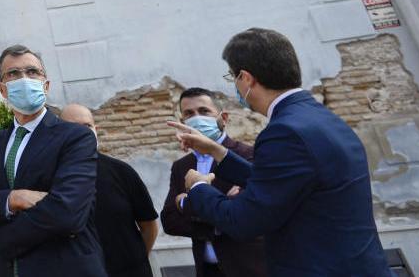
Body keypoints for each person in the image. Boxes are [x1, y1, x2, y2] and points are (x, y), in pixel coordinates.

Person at [169, 28, 389, 277]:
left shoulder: (283, 132)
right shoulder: (317, 116)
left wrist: (198, 188)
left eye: (233, 78)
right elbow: (281, 181)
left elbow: (244, 221)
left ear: (246, 78)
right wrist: (218, 152)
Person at [0, 45, 105, 277]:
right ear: (2, 89)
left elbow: (67, 213)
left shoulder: (75, 137)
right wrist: (15, 198)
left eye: (32, 72)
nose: (24, 78)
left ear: (46, 85)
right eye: (13, 74)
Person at [160, 87, 265, 277]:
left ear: (223, 119)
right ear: (183, 123)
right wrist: (220, 213)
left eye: (204, 111)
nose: (197, 118)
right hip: (207, 270)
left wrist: (185, 203)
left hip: (248, 268)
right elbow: (169, 221)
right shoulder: (182, 166)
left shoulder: (248, 155)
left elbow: (247, 214)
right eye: (189, 114)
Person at [61, 103, 158, 277]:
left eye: (87, 126)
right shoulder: (52, 177)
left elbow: (149, 226)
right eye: (73, 127)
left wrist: (136, 261)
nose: (83, 132)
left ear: (96, 129)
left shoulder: (122, 171)